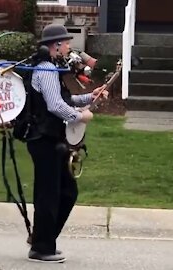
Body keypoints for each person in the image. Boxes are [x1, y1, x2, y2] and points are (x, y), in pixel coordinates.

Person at [25, 24, 108, 263]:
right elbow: (56, 107)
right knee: (49, 194)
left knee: (67, 192)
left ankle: (42, 237)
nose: (69, 47)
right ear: (56, 45)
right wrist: (81, 116)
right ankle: (42, 247)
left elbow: (65, 99)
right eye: (66, 43)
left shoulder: (50, 69)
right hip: (44, 140)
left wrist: (90, 97)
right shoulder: (47, 70)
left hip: (51, 139)